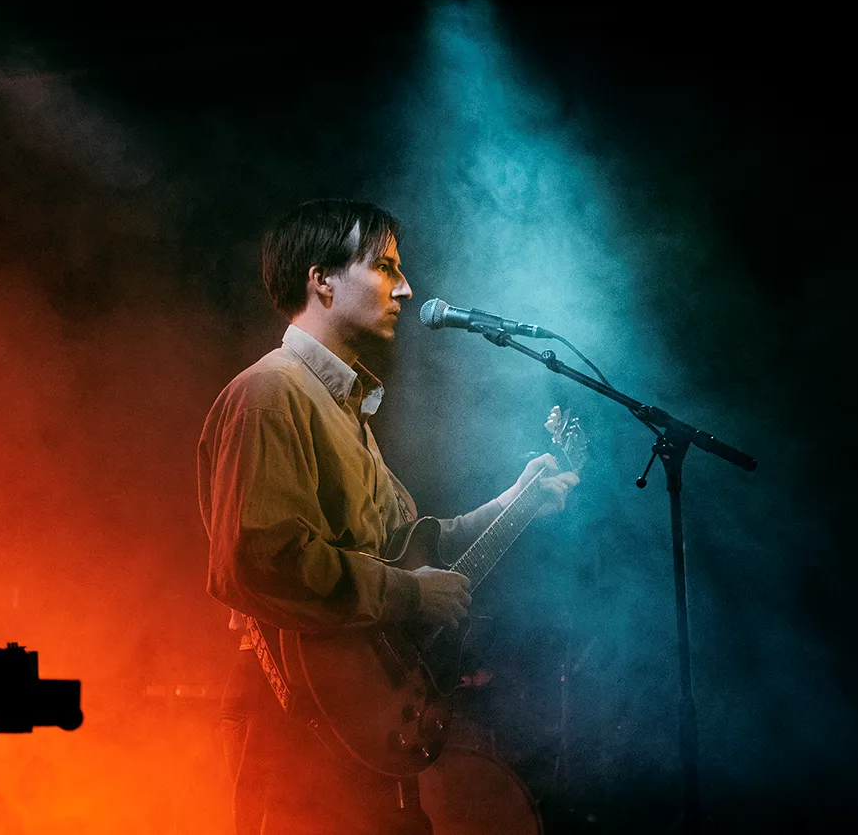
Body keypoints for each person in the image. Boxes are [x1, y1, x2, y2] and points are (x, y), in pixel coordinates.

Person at [198, 199, 580, 835]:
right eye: (383, 267)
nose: (404, 288)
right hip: (293, 717)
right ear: (322, 280)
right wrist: (407, 594)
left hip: (352, 722)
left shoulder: (343, 409)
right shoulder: (269, 394)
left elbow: (405, 544)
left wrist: (515, 502)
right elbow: (261, 559)